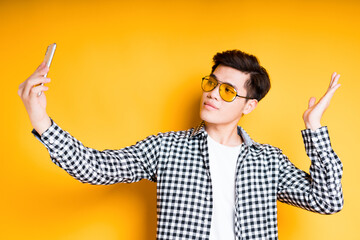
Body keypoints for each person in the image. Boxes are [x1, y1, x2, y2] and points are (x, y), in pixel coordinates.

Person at [18, 50, 343, 240]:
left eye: (228, 90)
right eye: (212, 83)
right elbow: (95, 169)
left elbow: (328, 201)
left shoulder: (268, 162)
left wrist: (313, 127)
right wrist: (40, 119)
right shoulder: (167, 149)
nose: (213, 93)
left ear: (249, 106)